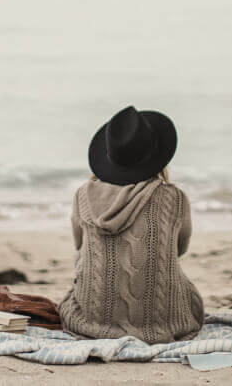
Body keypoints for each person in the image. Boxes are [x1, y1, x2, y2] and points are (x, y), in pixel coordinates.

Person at [58, 105, 204, 343]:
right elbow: (179, 249)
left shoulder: (83, 195)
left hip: (93, 318)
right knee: (183, 287)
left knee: (80, 267)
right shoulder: (175, 198)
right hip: (162, 318)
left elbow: (79, 247)